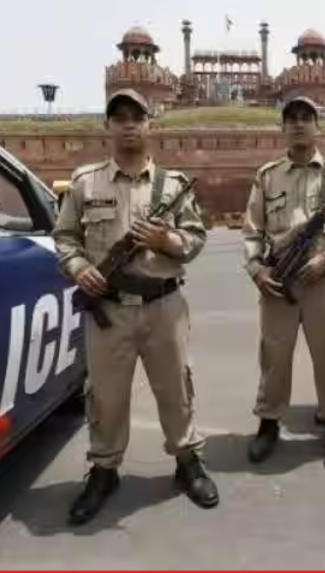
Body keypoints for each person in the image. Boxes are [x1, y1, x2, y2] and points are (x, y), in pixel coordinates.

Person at [52, 88, 219, 525]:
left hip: (163, 305)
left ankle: (188, 462)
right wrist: (77, 267)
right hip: (109, 310)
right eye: (119, 116)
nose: (128, 123)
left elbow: (197, 239)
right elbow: (65, 237)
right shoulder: (86, 183)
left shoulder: (174, 186)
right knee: (106, 396)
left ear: (149, 125)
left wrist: (168, 241)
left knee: (175, 389)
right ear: (108, 126)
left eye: (136, 116)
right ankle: (104, 470)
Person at [241, 95, 325, 471]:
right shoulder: (267, 176)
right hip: (278, 282)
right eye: (291, 118)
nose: (298, 124)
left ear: (318, 126)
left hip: (322, 281)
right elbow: (252, 231)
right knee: (274, 357)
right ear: (283, 127)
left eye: (306, 117)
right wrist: (257, 270)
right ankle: (268, 422)